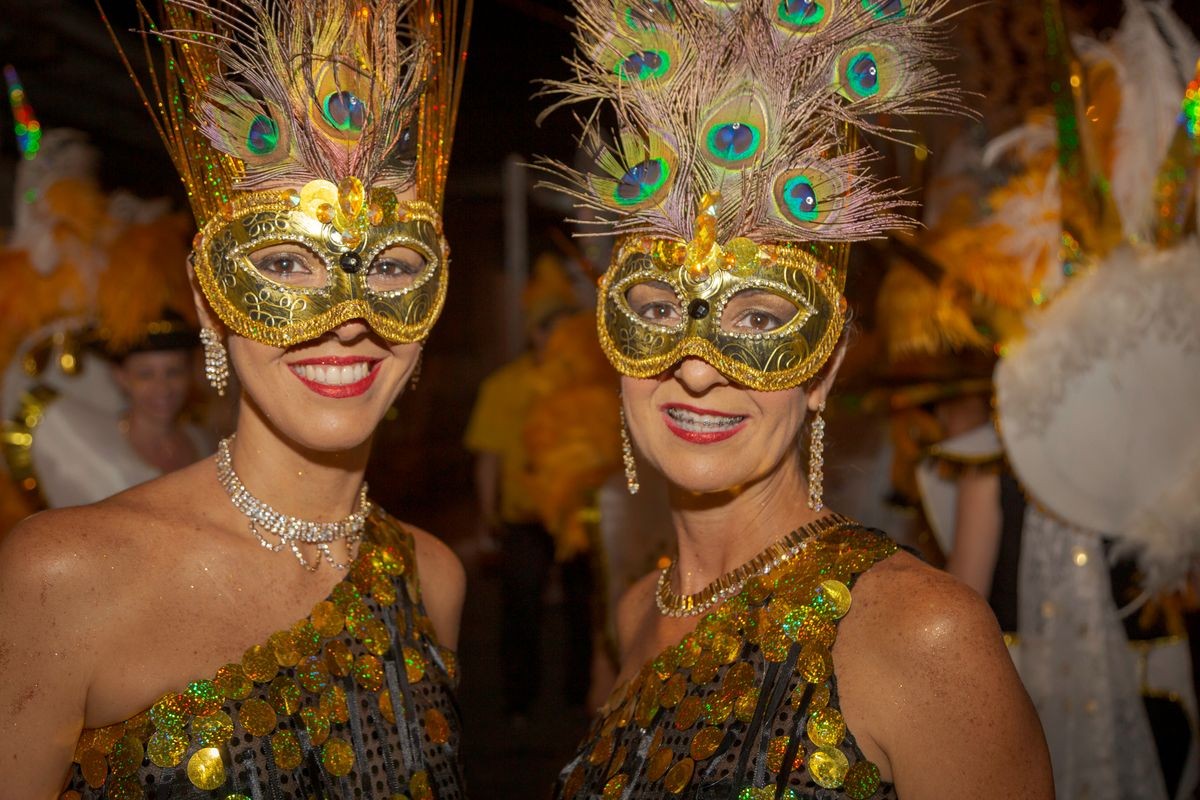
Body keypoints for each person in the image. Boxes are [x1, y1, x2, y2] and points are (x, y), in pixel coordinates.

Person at [538, 1, 1053, 797]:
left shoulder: (921, 633)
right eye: (658, 311)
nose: (700, 369)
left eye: (760, 320)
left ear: (825, 371)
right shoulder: (637, 607)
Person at [0, 0, 471, 796]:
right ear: (207, 296)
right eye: (286, 266)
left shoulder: (433, 578)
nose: (346, 319)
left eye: (391, 268)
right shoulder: (63, 574)